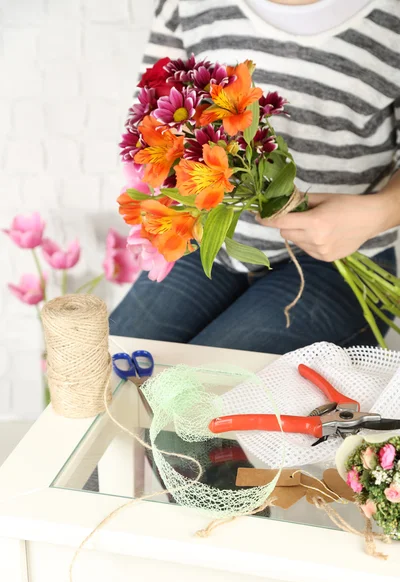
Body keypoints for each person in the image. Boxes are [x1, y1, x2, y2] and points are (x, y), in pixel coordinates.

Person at [110, 0, 400, 354]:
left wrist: (378, 212)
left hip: (341, 257)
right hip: (206, 242)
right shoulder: (185, 6)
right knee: (109, 369)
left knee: (203, 389)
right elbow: (150, 119)